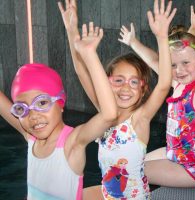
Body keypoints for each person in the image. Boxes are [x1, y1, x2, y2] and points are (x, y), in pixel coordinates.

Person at [60, 0, 175, 198]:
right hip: (108, 194)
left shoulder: (140, 119)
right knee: (67, 194)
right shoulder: (105, 114)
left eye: (133, 82)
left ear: (142, 88)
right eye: (118, 80)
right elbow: (81, 71)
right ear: (106, 82)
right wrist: (72, 31)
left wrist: (162, 37)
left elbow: (164, 83)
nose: (125, 88)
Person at [0, 29, 117, 200]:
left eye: (42, 103)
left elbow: (109, 114)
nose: (33, 115)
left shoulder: (72, 142)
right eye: (22, 108)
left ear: (61, 103)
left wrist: (90, 56)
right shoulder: (31, 137)